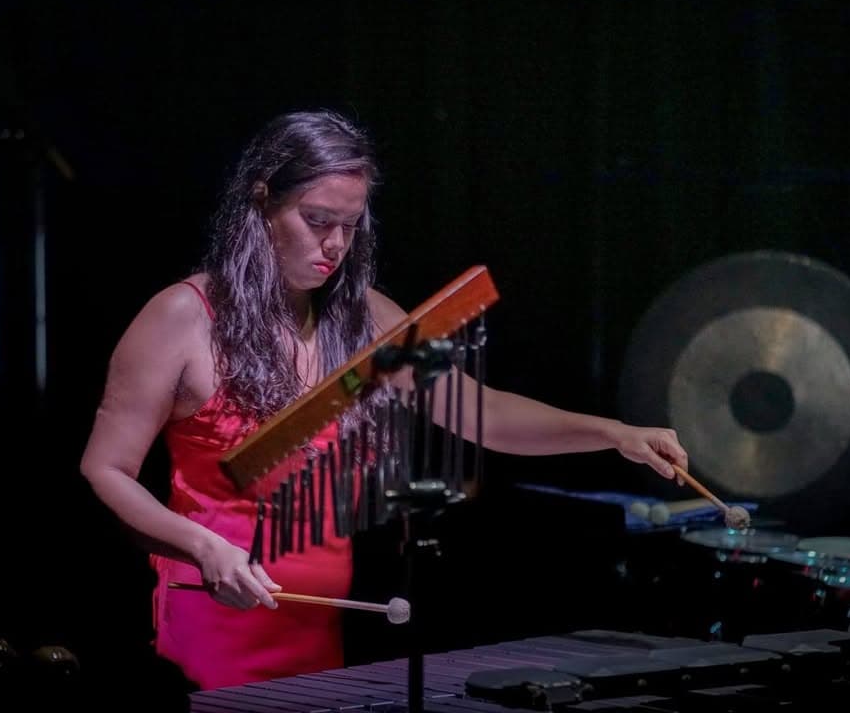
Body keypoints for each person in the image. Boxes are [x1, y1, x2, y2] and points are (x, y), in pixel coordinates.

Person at [78, 109, 689, 691]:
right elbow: (105, 470)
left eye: (351, 225)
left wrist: (614, 433)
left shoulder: (365, 319)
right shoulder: (184, 316)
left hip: (315, 632)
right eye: (317, 220)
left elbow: (486, 414)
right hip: (212, 619)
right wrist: (202, 546)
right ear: (262, 200)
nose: (336, 244)